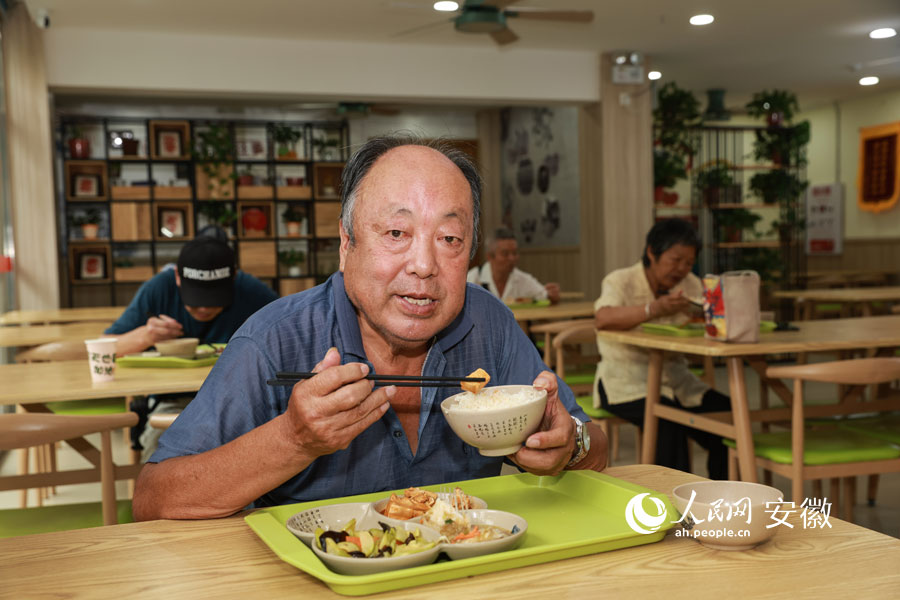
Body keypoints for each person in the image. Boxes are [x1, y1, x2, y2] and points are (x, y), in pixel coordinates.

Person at [133, 136, 607, 521]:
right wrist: (293, 439)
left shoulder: (488, 324)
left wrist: (568, 443)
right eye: (396, 234)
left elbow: (596, 445)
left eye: (449, 239)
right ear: (346, 243)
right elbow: (153, 499)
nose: (423, 266)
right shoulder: (275, 339)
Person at [104, 231, 278, 457]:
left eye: (214, 300)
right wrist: (145, 336)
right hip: (173, 399)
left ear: (233, 277)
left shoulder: (251, 292)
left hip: (238, 398)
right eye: (195, 301)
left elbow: (290, 337)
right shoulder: (159, 288)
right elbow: (104, 348)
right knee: (162, 448)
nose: (204, 309)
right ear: (178, 277)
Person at [592, 219, 730, 479]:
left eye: (688, 263)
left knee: (728, 418)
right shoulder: (620, 280)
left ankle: (722, 501)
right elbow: (603, 318)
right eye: (675, 260)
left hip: (679, 381)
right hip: (624, 381)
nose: (681, 269)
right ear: (651, 253)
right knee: (668, 423)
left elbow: (710, 322)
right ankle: (672, 509)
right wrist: (653, 309)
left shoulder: (691, 284)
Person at [467, 228, 561, 304]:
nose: (512, 258)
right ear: (490, 257)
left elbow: (545, 296)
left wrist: (552, 294)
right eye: (505, 254)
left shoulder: (522, 279)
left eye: (515, 253)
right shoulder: (472, 279)